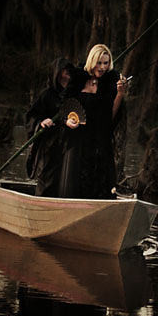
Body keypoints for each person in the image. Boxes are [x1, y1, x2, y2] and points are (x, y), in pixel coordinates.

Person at [58, 43, 128, 199]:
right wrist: (67, 120)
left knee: (99, 184)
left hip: (98, 141)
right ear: (91, 61)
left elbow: (112, 116)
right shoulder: (78, 79)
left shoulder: (111, 83)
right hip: (77, 141)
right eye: (99, 62)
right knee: (74, 185)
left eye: (106, 63)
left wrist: (120, 94)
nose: (102, 67)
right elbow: (65, 106)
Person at [25, 57, 75, 196]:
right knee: (48, 178)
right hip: (50, 146)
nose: (68, 74)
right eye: (65, 71)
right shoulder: (47, 95)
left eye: (69, 71)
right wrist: (41, 122)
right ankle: (41, 204)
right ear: (57, 73)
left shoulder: (73, 94)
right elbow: (31, 116)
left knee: (66, 179)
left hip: (68, 144)